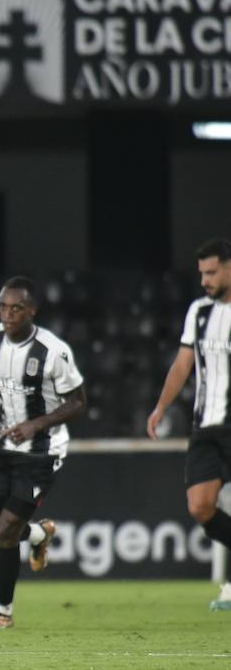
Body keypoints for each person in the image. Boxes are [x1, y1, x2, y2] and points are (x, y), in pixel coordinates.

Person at [0, 277, 85, 630]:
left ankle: (2, 612)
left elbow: (78, 402)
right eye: (3, 307)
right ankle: (40, 535)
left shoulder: (53, 351)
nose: (8, 314)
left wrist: (36, 424)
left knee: (6, 529)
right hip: (4, 446)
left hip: (43, 453)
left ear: (32, 311)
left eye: (16, 308)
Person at [148, 238, 231, 611]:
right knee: (200, 507)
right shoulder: (198, 312)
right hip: (205, 429)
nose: (205, 281)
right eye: (202, 274)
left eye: (212, 272)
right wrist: (161, 407)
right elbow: (183, 364)